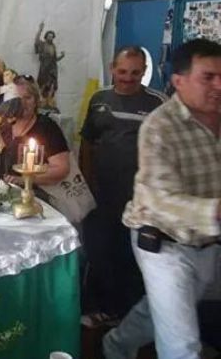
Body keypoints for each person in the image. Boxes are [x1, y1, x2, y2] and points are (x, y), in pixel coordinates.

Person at [103, 39, 221, 359]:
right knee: (181, 345)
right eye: (208, 77)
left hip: (207, 240)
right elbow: (162, 199)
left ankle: (116, 345)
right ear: (178, 81)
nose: (218, 86)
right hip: (162, 240)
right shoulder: (160, 126)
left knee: (159, 310)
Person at [79, 46, 167, 327]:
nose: (128, 78)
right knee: (99, 252)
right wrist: (84, 183)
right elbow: (87, 142)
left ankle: (128, 316)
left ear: (143, 72)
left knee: (132, 258)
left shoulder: (158, 104)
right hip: (101, 193)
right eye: (122, 71)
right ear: (112, 69)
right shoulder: (99, 99)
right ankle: (100, 310)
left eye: (135, 72)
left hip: (140, 198)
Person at [0, 77, 70, 186]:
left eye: (27, 98)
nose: (22, 103)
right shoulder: (0, 125)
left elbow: (61, 168)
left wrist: (25, 179)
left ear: (36, 101)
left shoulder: (47, 127)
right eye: (16, 98)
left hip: (37, 192)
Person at [35, 22, 65, 109]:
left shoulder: (53, 46)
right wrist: (40, 29)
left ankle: (50, 102)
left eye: (52, 36)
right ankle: (41, 102)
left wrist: (62, 56)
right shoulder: (43, 44)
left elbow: (54, 60)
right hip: (44, 68)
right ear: (46, 36)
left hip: (53, 68)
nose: (50, 37)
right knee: (43, 84)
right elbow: (36, 41)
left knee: (52, 85)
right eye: (49, 35)